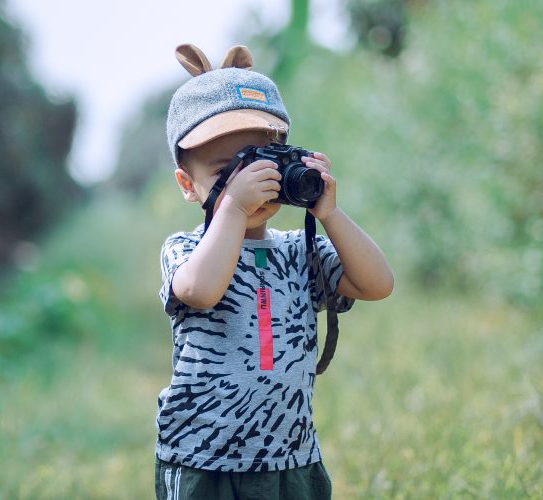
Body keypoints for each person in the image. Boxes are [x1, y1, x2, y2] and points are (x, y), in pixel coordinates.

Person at [155, 43, 394, 500]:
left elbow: (377, 284)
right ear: (188, 185)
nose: (249, 182)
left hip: (291, 457)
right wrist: (233, 209)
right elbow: (201, 290)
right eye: (228, 170)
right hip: (202, 459)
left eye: (260, 163)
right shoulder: (185, 250)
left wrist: (330, 214)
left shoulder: (299, 250)